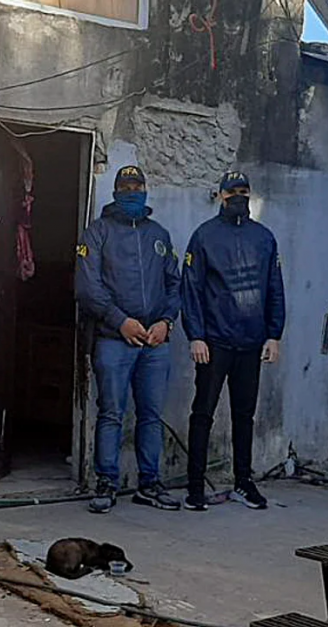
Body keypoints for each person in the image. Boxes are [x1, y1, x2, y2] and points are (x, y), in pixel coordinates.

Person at [76, 165, 181, 514]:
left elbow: (174, 284)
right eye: (126, 187)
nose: (133, 192)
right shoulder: (98, 232)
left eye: (138, 186)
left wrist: (166, 321)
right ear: (116, 192)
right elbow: (87, 287)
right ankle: (106, 482)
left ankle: (149, 483)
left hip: (155, 342)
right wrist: (119, 321)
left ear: (146, 190)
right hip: (114, 339)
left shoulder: (159, 234)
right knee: (111, 413)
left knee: (151, 415)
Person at [180, 170, 285, 512]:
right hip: (214, 342)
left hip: (251, 342)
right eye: (231, 192)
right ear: (220, 196)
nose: (238, 197)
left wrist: (274, 334)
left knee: (244, 416)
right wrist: (196, 335)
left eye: (243, 191)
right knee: (203, 413)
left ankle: (243, 481)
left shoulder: (264, 238)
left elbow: (274, 288)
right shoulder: (204, 236)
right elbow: (191, 289)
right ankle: (195, 487)